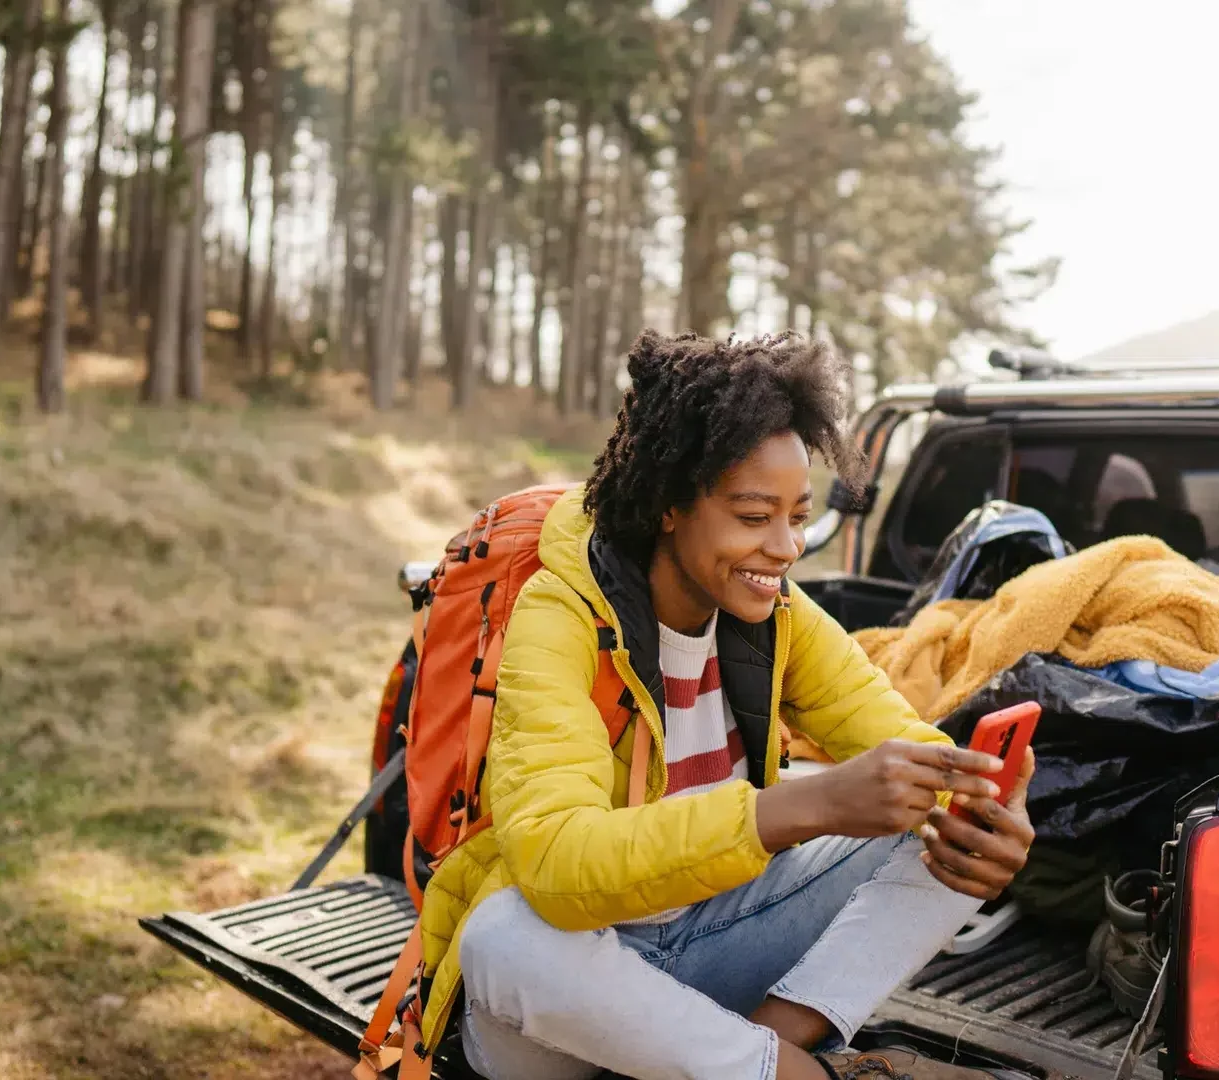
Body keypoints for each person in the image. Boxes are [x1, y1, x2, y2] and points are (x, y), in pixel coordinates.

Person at [413, 331, 1038, 1080]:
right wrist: (807, 809)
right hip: (570, 1000)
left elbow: (905, 747)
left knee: (935, 820)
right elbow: (554, 862)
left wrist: (984, 806)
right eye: (752, 517)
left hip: (708, 958)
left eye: (798, 517)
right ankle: (791, 1074)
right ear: (671, 505)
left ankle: (765, 1050)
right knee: (504, 936)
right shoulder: (562, 612)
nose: (784, 548)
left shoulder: (777, 613)